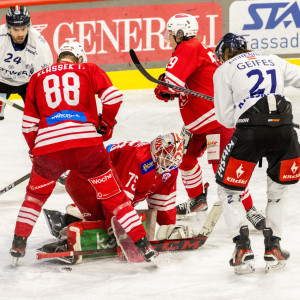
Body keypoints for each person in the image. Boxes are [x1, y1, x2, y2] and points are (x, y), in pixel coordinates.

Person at [9, 41, 157, 265]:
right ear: (79, 59)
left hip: (49, 147)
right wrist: (106, 124)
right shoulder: (88, 69)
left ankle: (18, 245)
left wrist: (35, 151)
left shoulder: (38, 77)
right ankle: (142, 245)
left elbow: (28, 125)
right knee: (115, 198)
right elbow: (113, 97)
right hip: (87, 145)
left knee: (34, 198)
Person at [153, 13, 265, 230]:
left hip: (214, 121)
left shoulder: (188, 47)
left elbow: (170, 85)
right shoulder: (195, 49)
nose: (168, 37)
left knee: (223, 170)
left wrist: (163, 88)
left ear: (179, 33)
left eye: (171, 33)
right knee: (185, 161)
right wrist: (167, 89)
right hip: (199, 125)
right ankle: (197, 200)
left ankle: (250, 209)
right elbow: (182, 85)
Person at [213, 33, 300, 274]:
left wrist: (244, 105)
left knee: (229, 189)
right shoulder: (273, 59)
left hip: (250, 133)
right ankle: (274, 246)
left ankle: (242, 248)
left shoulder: (224, 70)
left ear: (224, 54)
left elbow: (226, 119)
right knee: (279, 190)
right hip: (284, 131)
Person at [43, 133, 194, 242]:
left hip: (104, 187)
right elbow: (117, 198)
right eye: (166, 159)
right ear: (157, 150)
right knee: (102, 224)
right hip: (83, 180)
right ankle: (63, 224)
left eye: (172, 162)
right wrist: (114, 226)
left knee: (115, 219)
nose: (168, 165)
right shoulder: (139, 158)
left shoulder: (170, 170)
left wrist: (168, 228)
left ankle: (74, 215)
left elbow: (163, 201)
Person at [0, 5, 53, 120]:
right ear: (8, 28)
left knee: (38, 118)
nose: (20, 34)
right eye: (16, 29)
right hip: (1, 82)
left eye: (23, 28)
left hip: (28, 84)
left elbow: (44, 77)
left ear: (29, 26)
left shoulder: (39, 45)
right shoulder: (1, 37)